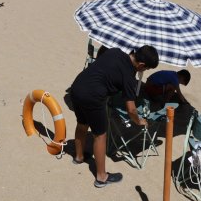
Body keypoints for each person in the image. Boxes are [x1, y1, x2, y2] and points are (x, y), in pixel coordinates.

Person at [68, 46, 159, 188]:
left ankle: (79, 157)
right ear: (141, 65)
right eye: (146, 69)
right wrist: (139, 121)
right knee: (100, 135)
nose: (144, 71)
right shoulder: (129, 77)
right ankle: (101, 177)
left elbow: (102, 55)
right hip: (93, 97)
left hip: (77, 87)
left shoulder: (115, 51)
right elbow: (131, 109)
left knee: (82, 123)